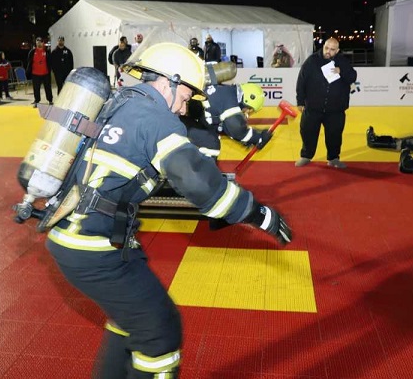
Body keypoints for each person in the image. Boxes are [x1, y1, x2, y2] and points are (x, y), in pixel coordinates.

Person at [43, 42, 292, 378]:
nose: (183, 109)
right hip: (94, 247)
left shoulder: (121, 102)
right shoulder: (156, 119)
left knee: (133, 321)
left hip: (77, 234)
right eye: (186, 97)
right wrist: (261, 215)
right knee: (160, 334)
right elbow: (200, 183)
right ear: (167, 82)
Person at [295, 37, 357, 169]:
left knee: (335, 136)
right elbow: (301, 81)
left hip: (336, 109)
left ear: (337, 50)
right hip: (313, 107)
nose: (328, 51)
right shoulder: (312, 61)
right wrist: (300, 101)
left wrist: (341, 71)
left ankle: (333, 158)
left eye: (332, 49)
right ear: (323, 46)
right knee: (307, 132)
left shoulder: (343, 62)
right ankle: (306, 156)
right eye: (326, 48)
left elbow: (352, 77)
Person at [182, 80, 272, 159]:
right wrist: (257, 138)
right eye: (249, 109)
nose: (247, 112)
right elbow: (237, 129)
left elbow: (225, 127)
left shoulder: (227, 92)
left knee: (211, 137)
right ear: (247, 100)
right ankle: (201, 172)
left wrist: (248, 138)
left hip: (188, 116)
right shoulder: (230, 103)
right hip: (184, 119)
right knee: (211, 145)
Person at [26, 36, 53, 107]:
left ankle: (50, 100)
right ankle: (37, 101)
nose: (38, 43)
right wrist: (28, 71)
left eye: (40, 42)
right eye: (37, 42)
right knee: (36, 89)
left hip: (45, 73)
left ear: (43, 43)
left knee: (48, 88)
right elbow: (29, 62)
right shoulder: (32, 52)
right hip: (35, 74)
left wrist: (51, 70)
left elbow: (50, 61)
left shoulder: (46, 51)